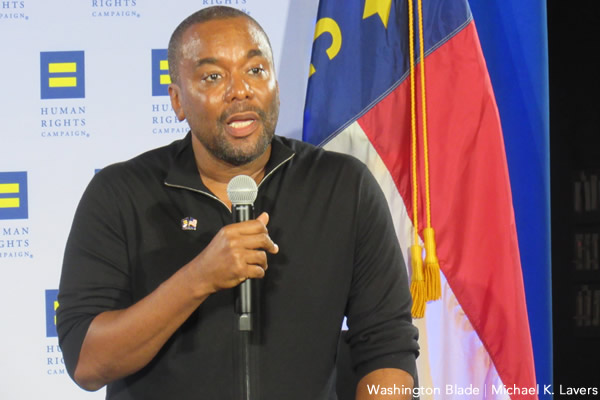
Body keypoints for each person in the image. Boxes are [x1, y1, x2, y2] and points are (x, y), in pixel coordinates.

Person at [57, 6, 419, 400]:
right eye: (213, 76)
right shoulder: (120, 193)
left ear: (276, 86)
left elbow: (387, 346)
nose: (240, 90)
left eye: (256, 70)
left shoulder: (343, 187)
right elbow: (87, 363)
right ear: (177, 101)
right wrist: (198, 279)